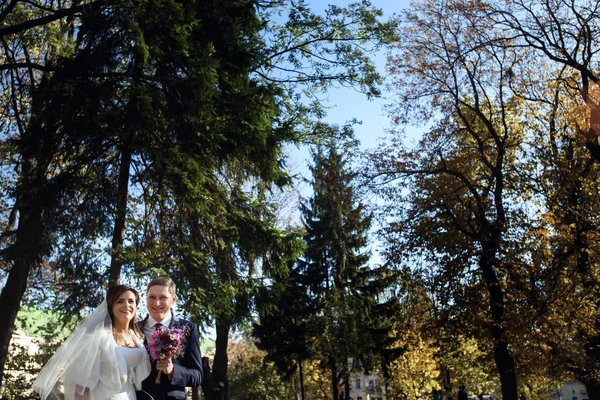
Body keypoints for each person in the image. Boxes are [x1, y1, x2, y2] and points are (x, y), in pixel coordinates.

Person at [33, 285, 151, 400]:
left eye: (131, 301)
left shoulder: (138, 337)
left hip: (129, 395)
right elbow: (80, 384)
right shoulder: (98, 337)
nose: (126, 305)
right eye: (120, 301)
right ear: (111, 306)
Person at [138, 276, 203, 399]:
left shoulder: (188, 328)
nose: (157, 303)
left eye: (163, 297)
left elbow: (197, 376)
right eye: (152, 297)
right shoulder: (135, 328)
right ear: (146, 299)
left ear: (173, 299)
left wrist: (173, 371)